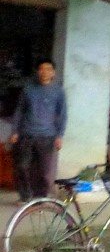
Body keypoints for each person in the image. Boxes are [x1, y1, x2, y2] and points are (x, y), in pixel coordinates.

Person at [9, 58, 67, 200]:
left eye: (48, 69)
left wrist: (59, 135)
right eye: (41, 69)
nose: (44, 72)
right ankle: (25, 197)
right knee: (22, 167)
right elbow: (19, 111)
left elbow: (63, 114)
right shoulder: (28, 89)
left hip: (47, 136)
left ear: (53, 73)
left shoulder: (58, 92)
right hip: (26, 134)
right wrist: (15, 131)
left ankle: (39, 198)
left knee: (44, 172)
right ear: (37, 71)